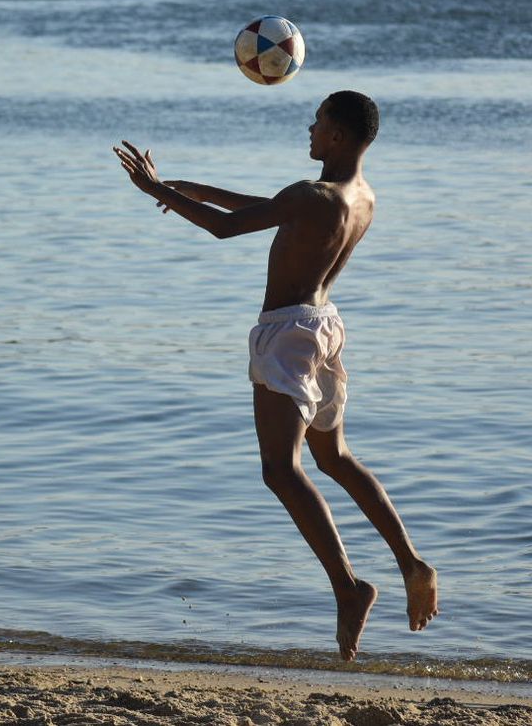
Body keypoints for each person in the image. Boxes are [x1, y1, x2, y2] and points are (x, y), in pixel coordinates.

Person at [113, 91, 438, 662]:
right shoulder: (359, 197)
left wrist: (155, 190)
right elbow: (269, 208)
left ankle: (349, 585)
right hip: (327, 327)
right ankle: (411, 561)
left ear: (337, 135)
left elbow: (227, 229)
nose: (308, 131)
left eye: (316, 124)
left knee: (280, 471)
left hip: (287, 334)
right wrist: (192, 189)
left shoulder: (311, 195)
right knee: (334, 459)